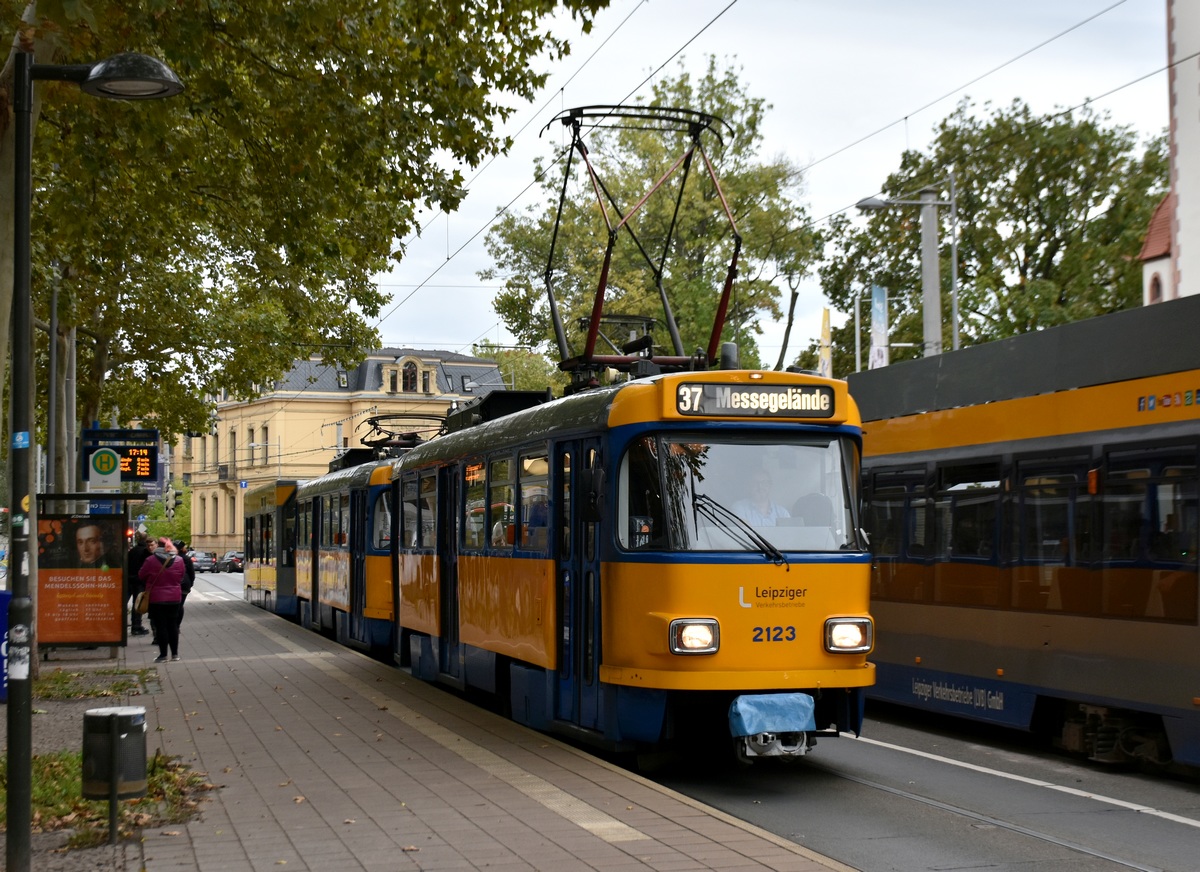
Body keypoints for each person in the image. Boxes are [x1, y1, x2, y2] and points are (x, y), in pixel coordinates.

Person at [140, 536, 185, 662]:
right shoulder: (179, 560)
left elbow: (141, 575)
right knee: (173, 625)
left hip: (156, 598)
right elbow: (181, 577)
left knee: (160, 626)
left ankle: (163, 655)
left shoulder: (150, 560)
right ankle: (175, 654)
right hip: (175, 598)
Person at [126, 533, 156, 636]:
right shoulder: (146, 553)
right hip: (139, 581)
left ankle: (123, 624)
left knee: (126, 602)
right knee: (138, 603)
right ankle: (136, 626)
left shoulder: (133, 551)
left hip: (129, 579)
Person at [174, 539, 195, 635]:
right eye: (184, 547)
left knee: (175, 606)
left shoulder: (172, 558)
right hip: (184, 585)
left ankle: (174, 625)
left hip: (175, 584)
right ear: (182, 548)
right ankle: (177, 626)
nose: (186, 548)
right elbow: (191, 573)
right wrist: (190, 584)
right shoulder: (186, 558)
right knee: (180, 605)